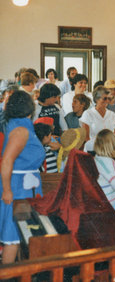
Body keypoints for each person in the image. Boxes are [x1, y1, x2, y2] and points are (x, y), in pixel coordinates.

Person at [0, 91, 45, 264]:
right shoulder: (21, 130)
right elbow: (7, 162)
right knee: (12, 238)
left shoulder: (20, 125)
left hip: (23, 187)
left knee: (21, 237)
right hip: (17, 188)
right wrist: (7, 190)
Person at [93, 129, 115, 222]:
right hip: (113, 201)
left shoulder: (96, 158)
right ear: (112, 145)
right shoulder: (109, 162)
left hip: (102, 200)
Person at [80, 86, 115, 154]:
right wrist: (97, 151)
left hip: (111, 151)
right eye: (104, 98)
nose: (107, 101)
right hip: (93, 151)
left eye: (109, 98)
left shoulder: (112, 114)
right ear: (97, 99)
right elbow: (86, 137)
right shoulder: (88, 114)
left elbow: (114, 136)